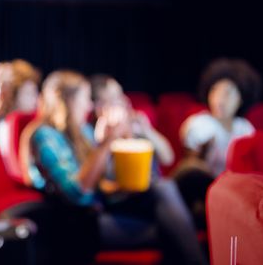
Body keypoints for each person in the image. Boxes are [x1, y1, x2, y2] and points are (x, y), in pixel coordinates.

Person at [20, 70, 207, 265]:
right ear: (68, 101)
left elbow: (102, 183)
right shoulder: (44, 135)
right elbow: (77, 192)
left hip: (101, 210)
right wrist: (108, 140)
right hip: (76, 224)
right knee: (174, 229)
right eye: (85, 98)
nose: (89, 105)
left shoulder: (82, 131)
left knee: (167, 190)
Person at [175, 58, 262, 229]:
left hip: (234, 193)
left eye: (228, 93)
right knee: (192, 171)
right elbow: (190, 169)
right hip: (202, 192)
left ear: (242, 98)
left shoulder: (244, 128)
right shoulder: (198, 124)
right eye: (215, 91)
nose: (219, 99)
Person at [90, 74, 174, 178]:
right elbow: (102, 176)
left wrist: (147, 130)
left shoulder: (136, 127)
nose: (125, 100)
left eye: (122, 94)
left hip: (152, 183)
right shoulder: (95, 135)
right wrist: (112, 136)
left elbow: (168, 158)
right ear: (99, 107)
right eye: (116, 97)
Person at [0, 59, 41, 177]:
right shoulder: (5, 127)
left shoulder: (24, 124)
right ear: (11, 96)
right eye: (29, 93)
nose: (36, 100)